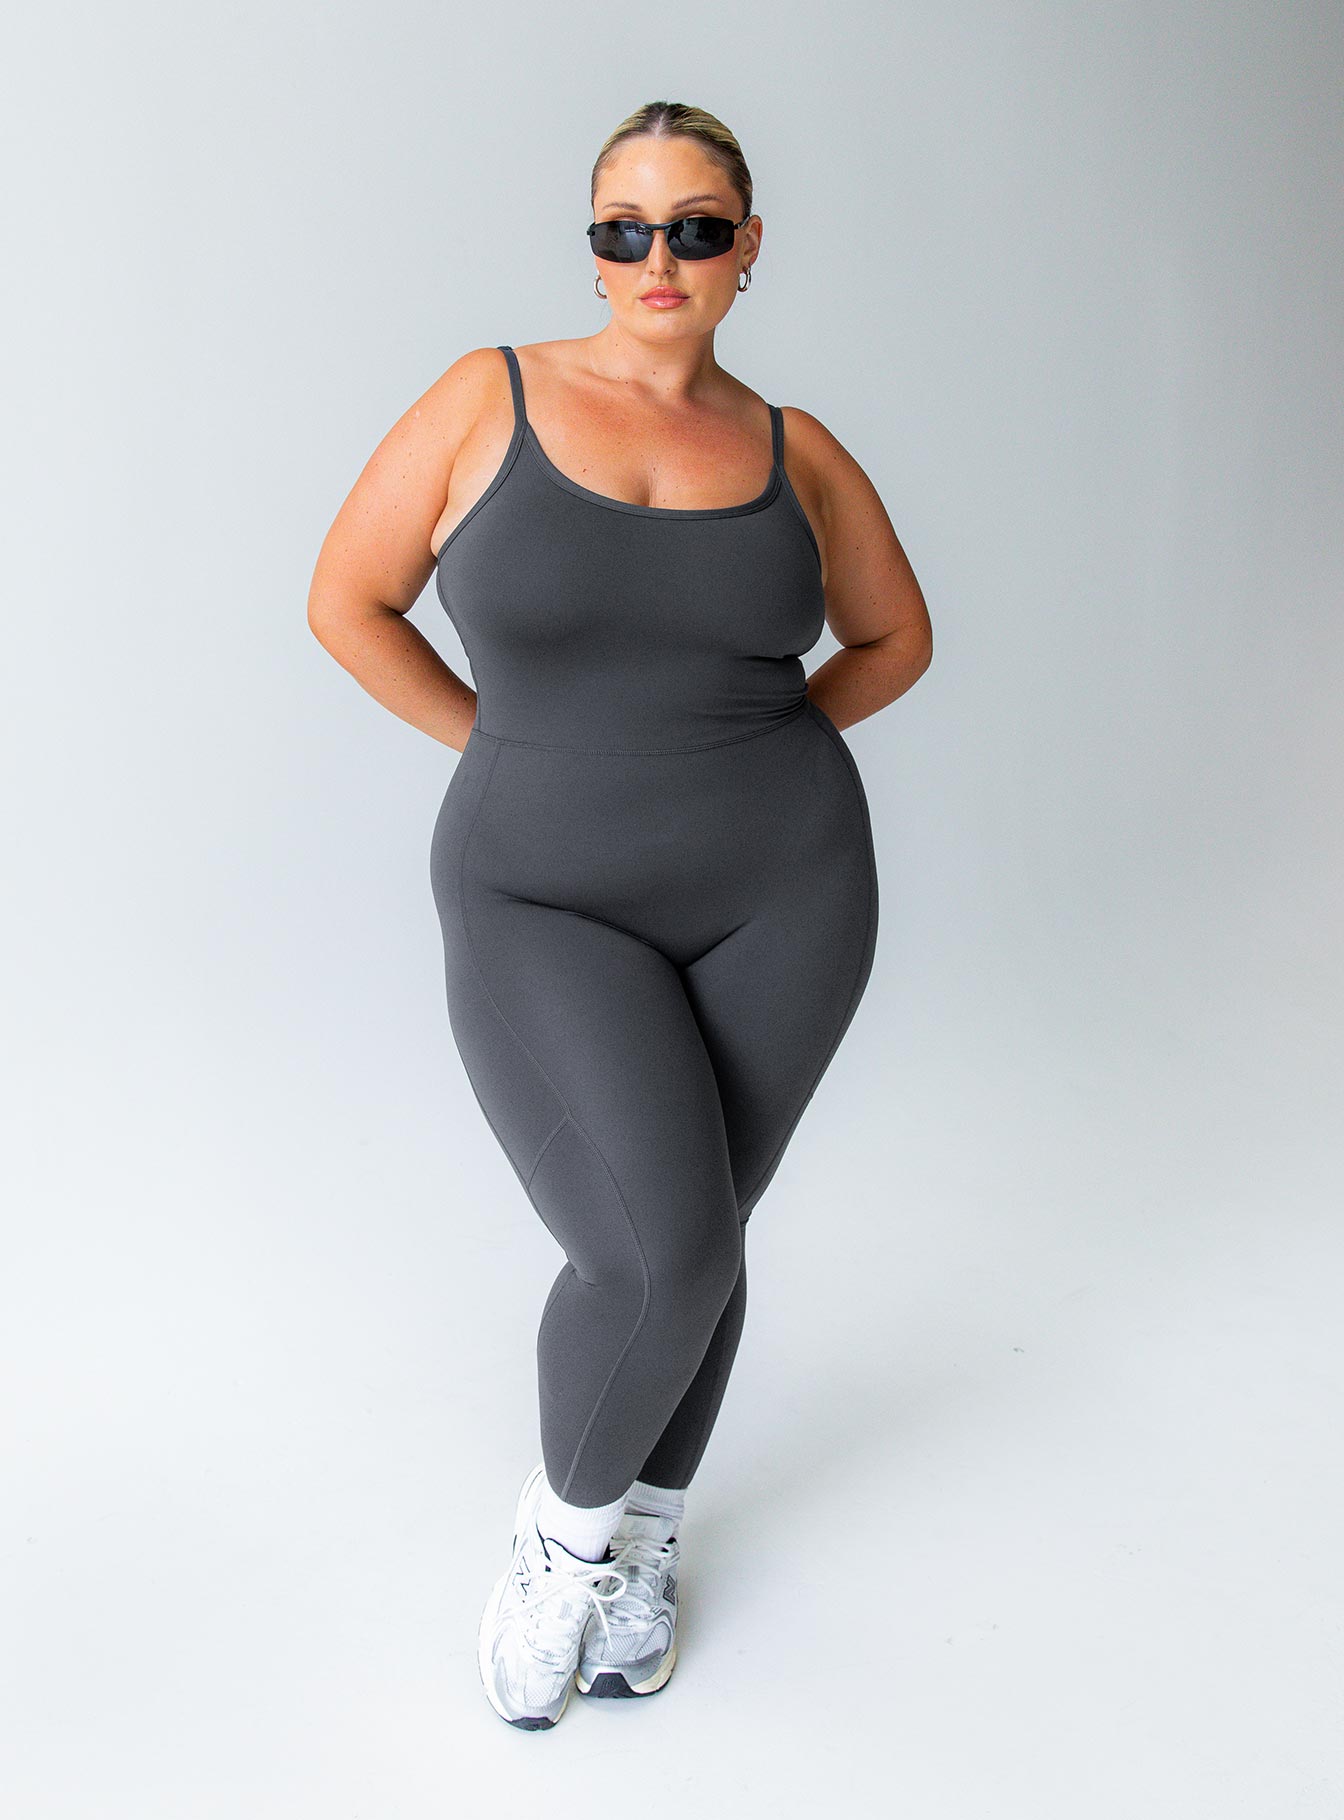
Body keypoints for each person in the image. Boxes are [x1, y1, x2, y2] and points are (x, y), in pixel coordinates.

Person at [308, 99, 933, 1731]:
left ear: (748, 248)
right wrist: (504, 749)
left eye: (698, 227)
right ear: (592, 245)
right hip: (540, 887)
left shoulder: (797, 450)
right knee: (653, 1247)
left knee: (705, 1237)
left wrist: (757, 753)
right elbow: (346, 601)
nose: (660, 258)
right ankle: (559, 1546)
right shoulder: (488, 398)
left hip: (786, 889)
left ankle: (642, 1543)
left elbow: (894, 639)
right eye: (625, 228)